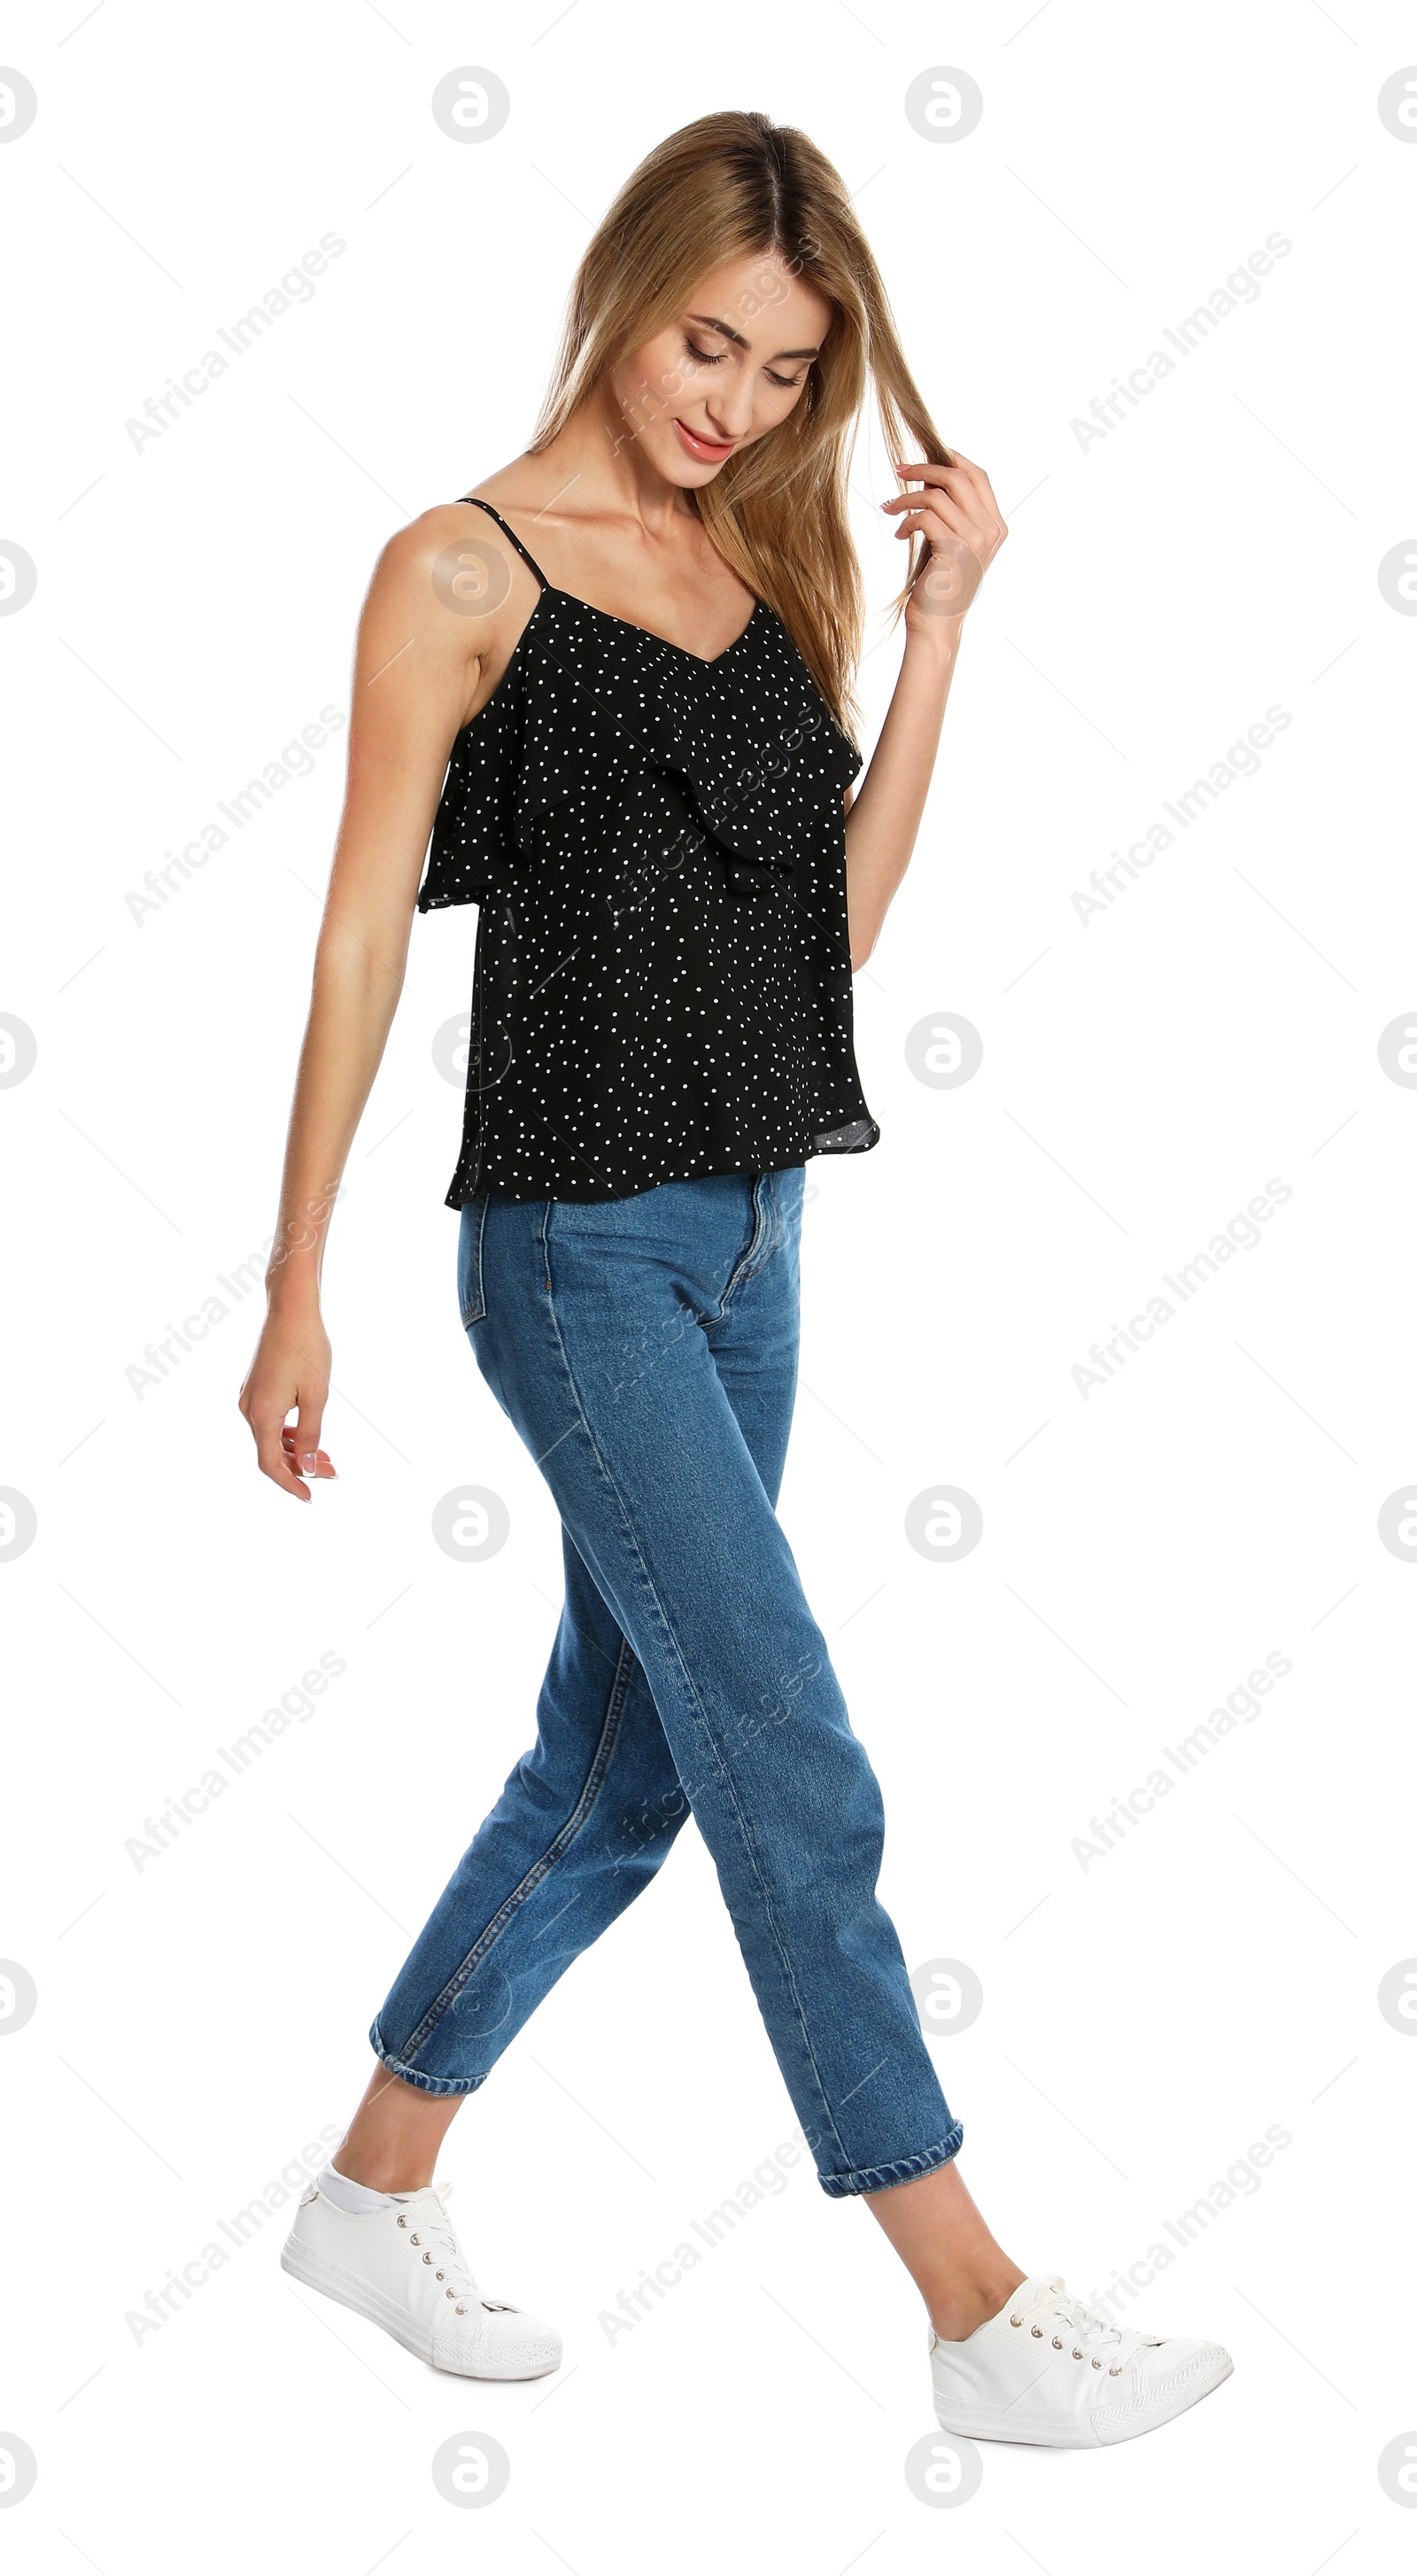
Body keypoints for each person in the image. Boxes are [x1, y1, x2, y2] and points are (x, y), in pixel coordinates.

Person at [238, 109, 1232, 2447]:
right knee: (781, 1737)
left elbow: (832, 943)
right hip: (573, 1247)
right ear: (626, 286)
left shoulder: (757, 574)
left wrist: (943, 628)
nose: (736, 403)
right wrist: (294, 1280)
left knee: (623, 1756)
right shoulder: (459, 573)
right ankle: (973, 2297)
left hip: (759, 1229)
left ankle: (374, 2183)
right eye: (713, 343)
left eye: (788, 374)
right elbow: (365, 927)